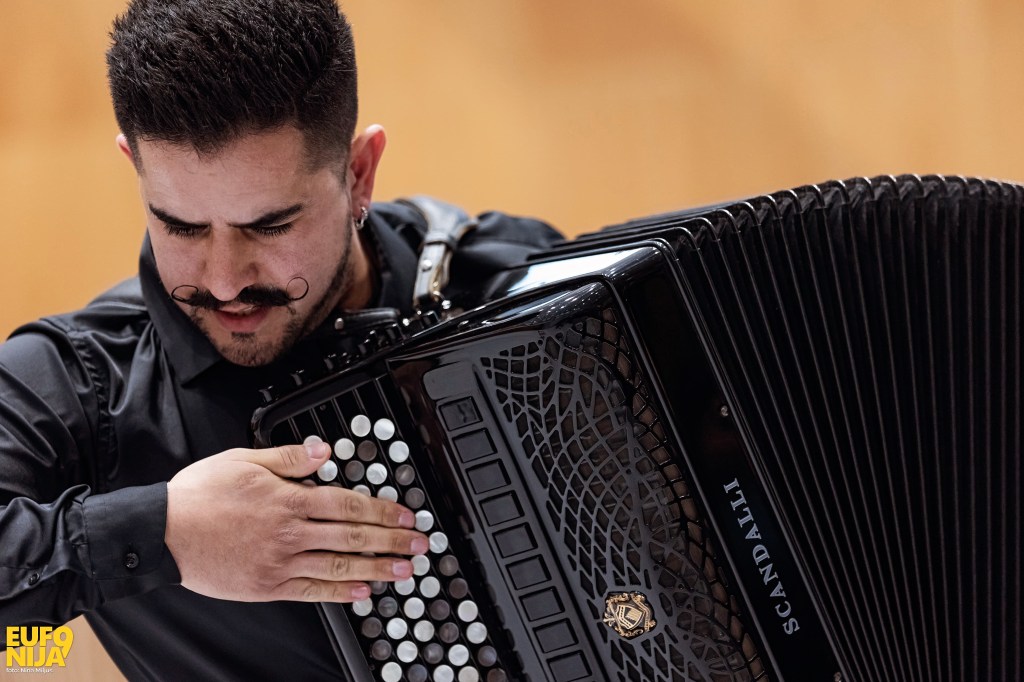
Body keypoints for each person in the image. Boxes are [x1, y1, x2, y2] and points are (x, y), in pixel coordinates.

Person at [0, 0, 561, 678]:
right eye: (180, 226)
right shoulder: (74, 386)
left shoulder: (510, 280)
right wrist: (164, 532)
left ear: (359, 174)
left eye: (268, 226)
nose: (224, 280)